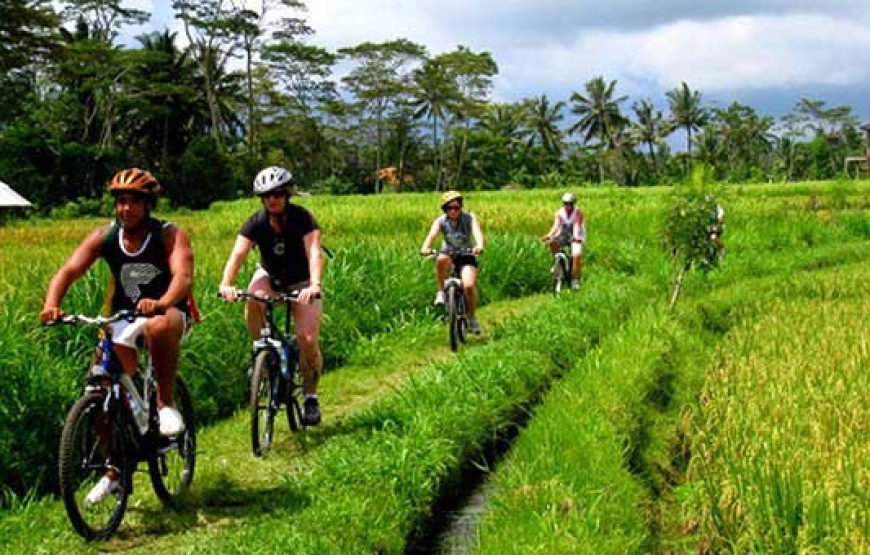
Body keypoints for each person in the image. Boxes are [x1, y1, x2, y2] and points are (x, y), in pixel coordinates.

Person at [39, 168, 194, 506]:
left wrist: (163, 302)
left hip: (168, 311)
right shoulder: (105, 236)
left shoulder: (168, 234)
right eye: (121, 202)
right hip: (123, 316)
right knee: (101, 386)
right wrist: (53, 303)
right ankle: (116, 468)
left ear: (148, 205)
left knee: (158, 326)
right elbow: (69, 270)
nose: (126, 209)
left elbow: (182, 276)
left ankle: (165, 402)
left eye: (134, 202)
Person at [218, 166, 324, 426]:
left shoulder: (302, 219)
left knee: (307, 339)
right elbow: (238, 254)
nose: (272, 199)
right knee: (253, 299)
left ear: (287, 194)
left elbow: (314, 253)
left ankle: (310, 396)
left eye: (277, 193)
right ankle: (260, 350)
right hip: (271, 276)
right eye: (266, 195)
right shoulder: (255, 223)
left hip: (301, 281)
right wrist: (226, 283)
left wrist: (314, 285)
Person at [420, 190, 485, 334]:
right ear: (445, 209)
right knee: (441, 258)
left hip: (466, 254)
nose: (454, 211)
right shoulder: (441, 221)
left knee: (468, 286)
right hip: (448, 254)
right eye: (450, 208)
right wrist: (426, 248)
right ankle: (441, 292)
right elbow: (432, 235)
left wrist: (479, 246)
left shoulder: (469, 218)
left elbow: (477, 233)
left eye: (457, 207)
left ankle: (472, 317)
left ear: (461, 207)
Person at [541, 192, 586, 289]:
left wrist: (576, 237)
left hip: (576, 235)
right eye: (566, 203)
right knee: (552, 242)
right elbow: (556, 225)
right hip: (563, 234)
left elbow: (577, 226)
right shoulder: (559, 213)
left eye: (570, 204)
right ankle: (558, 261)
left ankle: (575, 279)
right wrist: (549, 235)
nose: (568, 206)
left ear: (574, 204)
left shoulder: (578, 213)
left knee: (576, 255)